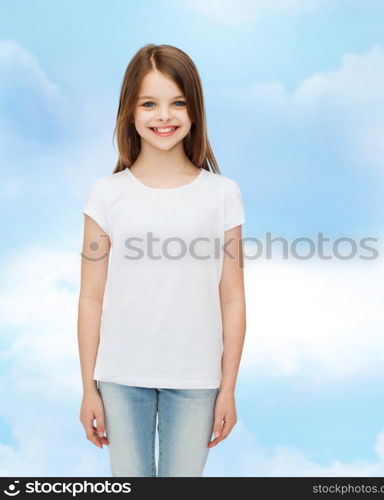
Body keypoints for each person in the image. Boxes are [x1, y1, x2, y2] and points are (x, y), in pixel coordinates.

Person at [77, 44, 247, 477]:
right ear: (130, 113)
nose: (164, 116)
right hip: (119, 375)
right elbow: (91, 297)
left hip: (196, 379)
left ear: (194, 112)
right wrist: (88, 389)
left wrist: (228, 388)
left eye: (177, 103)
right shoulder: (106, 194)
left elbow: (231, 297)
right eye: (149, 103)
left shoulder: (222, 194)